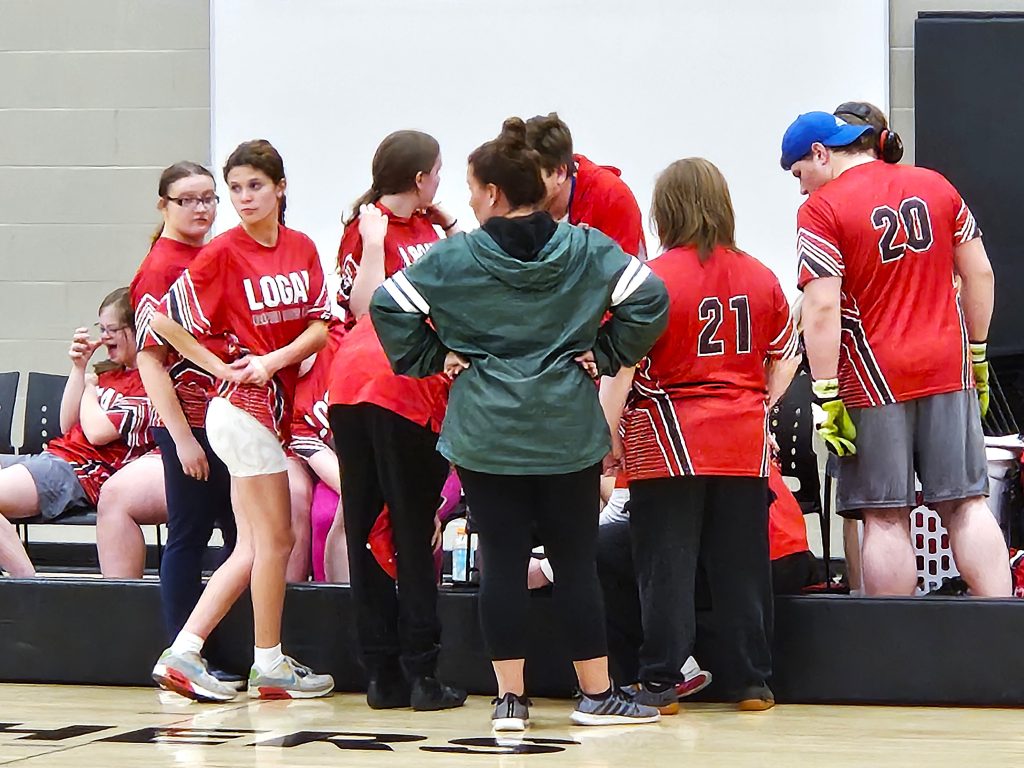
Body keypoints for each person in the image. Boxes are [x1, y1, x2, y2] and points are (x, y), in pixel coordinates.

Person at [370, 118, 669, 731]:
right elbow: (651, 298)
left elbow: (387, 304)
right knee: (576, 562)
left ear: (496, 195)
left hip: (486, 435)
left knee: (502, 564)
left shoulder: (454, 256)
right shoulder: (585, 247)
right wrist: (608, 352)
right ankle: (597, 695)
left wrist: (435, 357)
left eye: (475, 189)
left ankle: (510, 701)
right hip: (566, 433)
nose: (471, 199)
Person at [781, 111, 1010, 597]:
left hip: (873, 379)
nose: (802, 190)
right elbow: (981, 274)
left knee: (885, 517)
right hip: (950, 370)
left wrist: (824, 393)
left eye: (800, 174)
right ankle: (1009, 641)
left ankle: (893, 655)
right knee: (967, 505)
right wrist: (979, 353)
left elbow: (821, 307)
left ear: (821, 153)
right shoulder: (936, 185)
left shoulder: (821, 211)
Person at [603, 158, 799, 713]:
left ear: (666, 210)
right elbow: (785, 356)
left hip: (666, 439)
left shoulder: (651, 278)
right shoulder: (761, 275)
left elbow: (621, 368)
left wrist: (608, 434)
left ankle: (661, 684)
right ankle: (755, 681)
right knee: (741, 566)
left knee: (664, 566)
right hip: (741, 440)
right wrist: (757, 398)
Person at [143, 139, 335, 702]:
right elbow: (162, 325)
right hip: (241, 412)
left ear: (279, 188)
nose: (244, 198)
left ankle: (192, 653)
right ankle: (259, 661)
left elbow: (321, 325)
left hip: (267, 408)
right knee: (272, 539)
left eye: (255, 185)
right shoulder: (222, 252)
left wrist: (274, 361)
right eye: (236, 188)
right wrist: (222, 367)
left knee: (257, 544)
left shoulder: (300, 247)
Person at [328, 130, 465, 711]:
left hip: (378, 387)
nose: (441, 180)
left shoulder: (432, 231)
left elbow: (471, 274)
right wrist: (376, 244)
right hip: (385, 387)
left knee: (387, 530)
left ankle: (390, 675)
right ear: (419, 177)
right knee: (398, 530)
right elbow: (365, 309)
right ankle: (408, 673)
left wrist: (451, 222)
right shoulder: (366, 227)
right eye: (437, 171)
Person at [0, 289, 155, 577]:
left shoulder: (150, 381)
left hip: (79, 472)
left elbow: (97, 433)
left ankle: (31, 592)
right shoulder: (110, 373)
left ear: (136, 330)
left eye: (112, 330)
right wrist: (79, 367)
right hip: (53, 458)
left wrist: (91, 391)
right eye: (102, 329)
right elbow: (66, 424)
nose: (104, 337)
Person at [522, 112, 646, 258]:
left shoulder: (612, 197)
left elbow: (624, 276)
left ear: (560, 173)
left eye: (532, 176)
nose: (522, 185)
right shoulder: (515, 199)